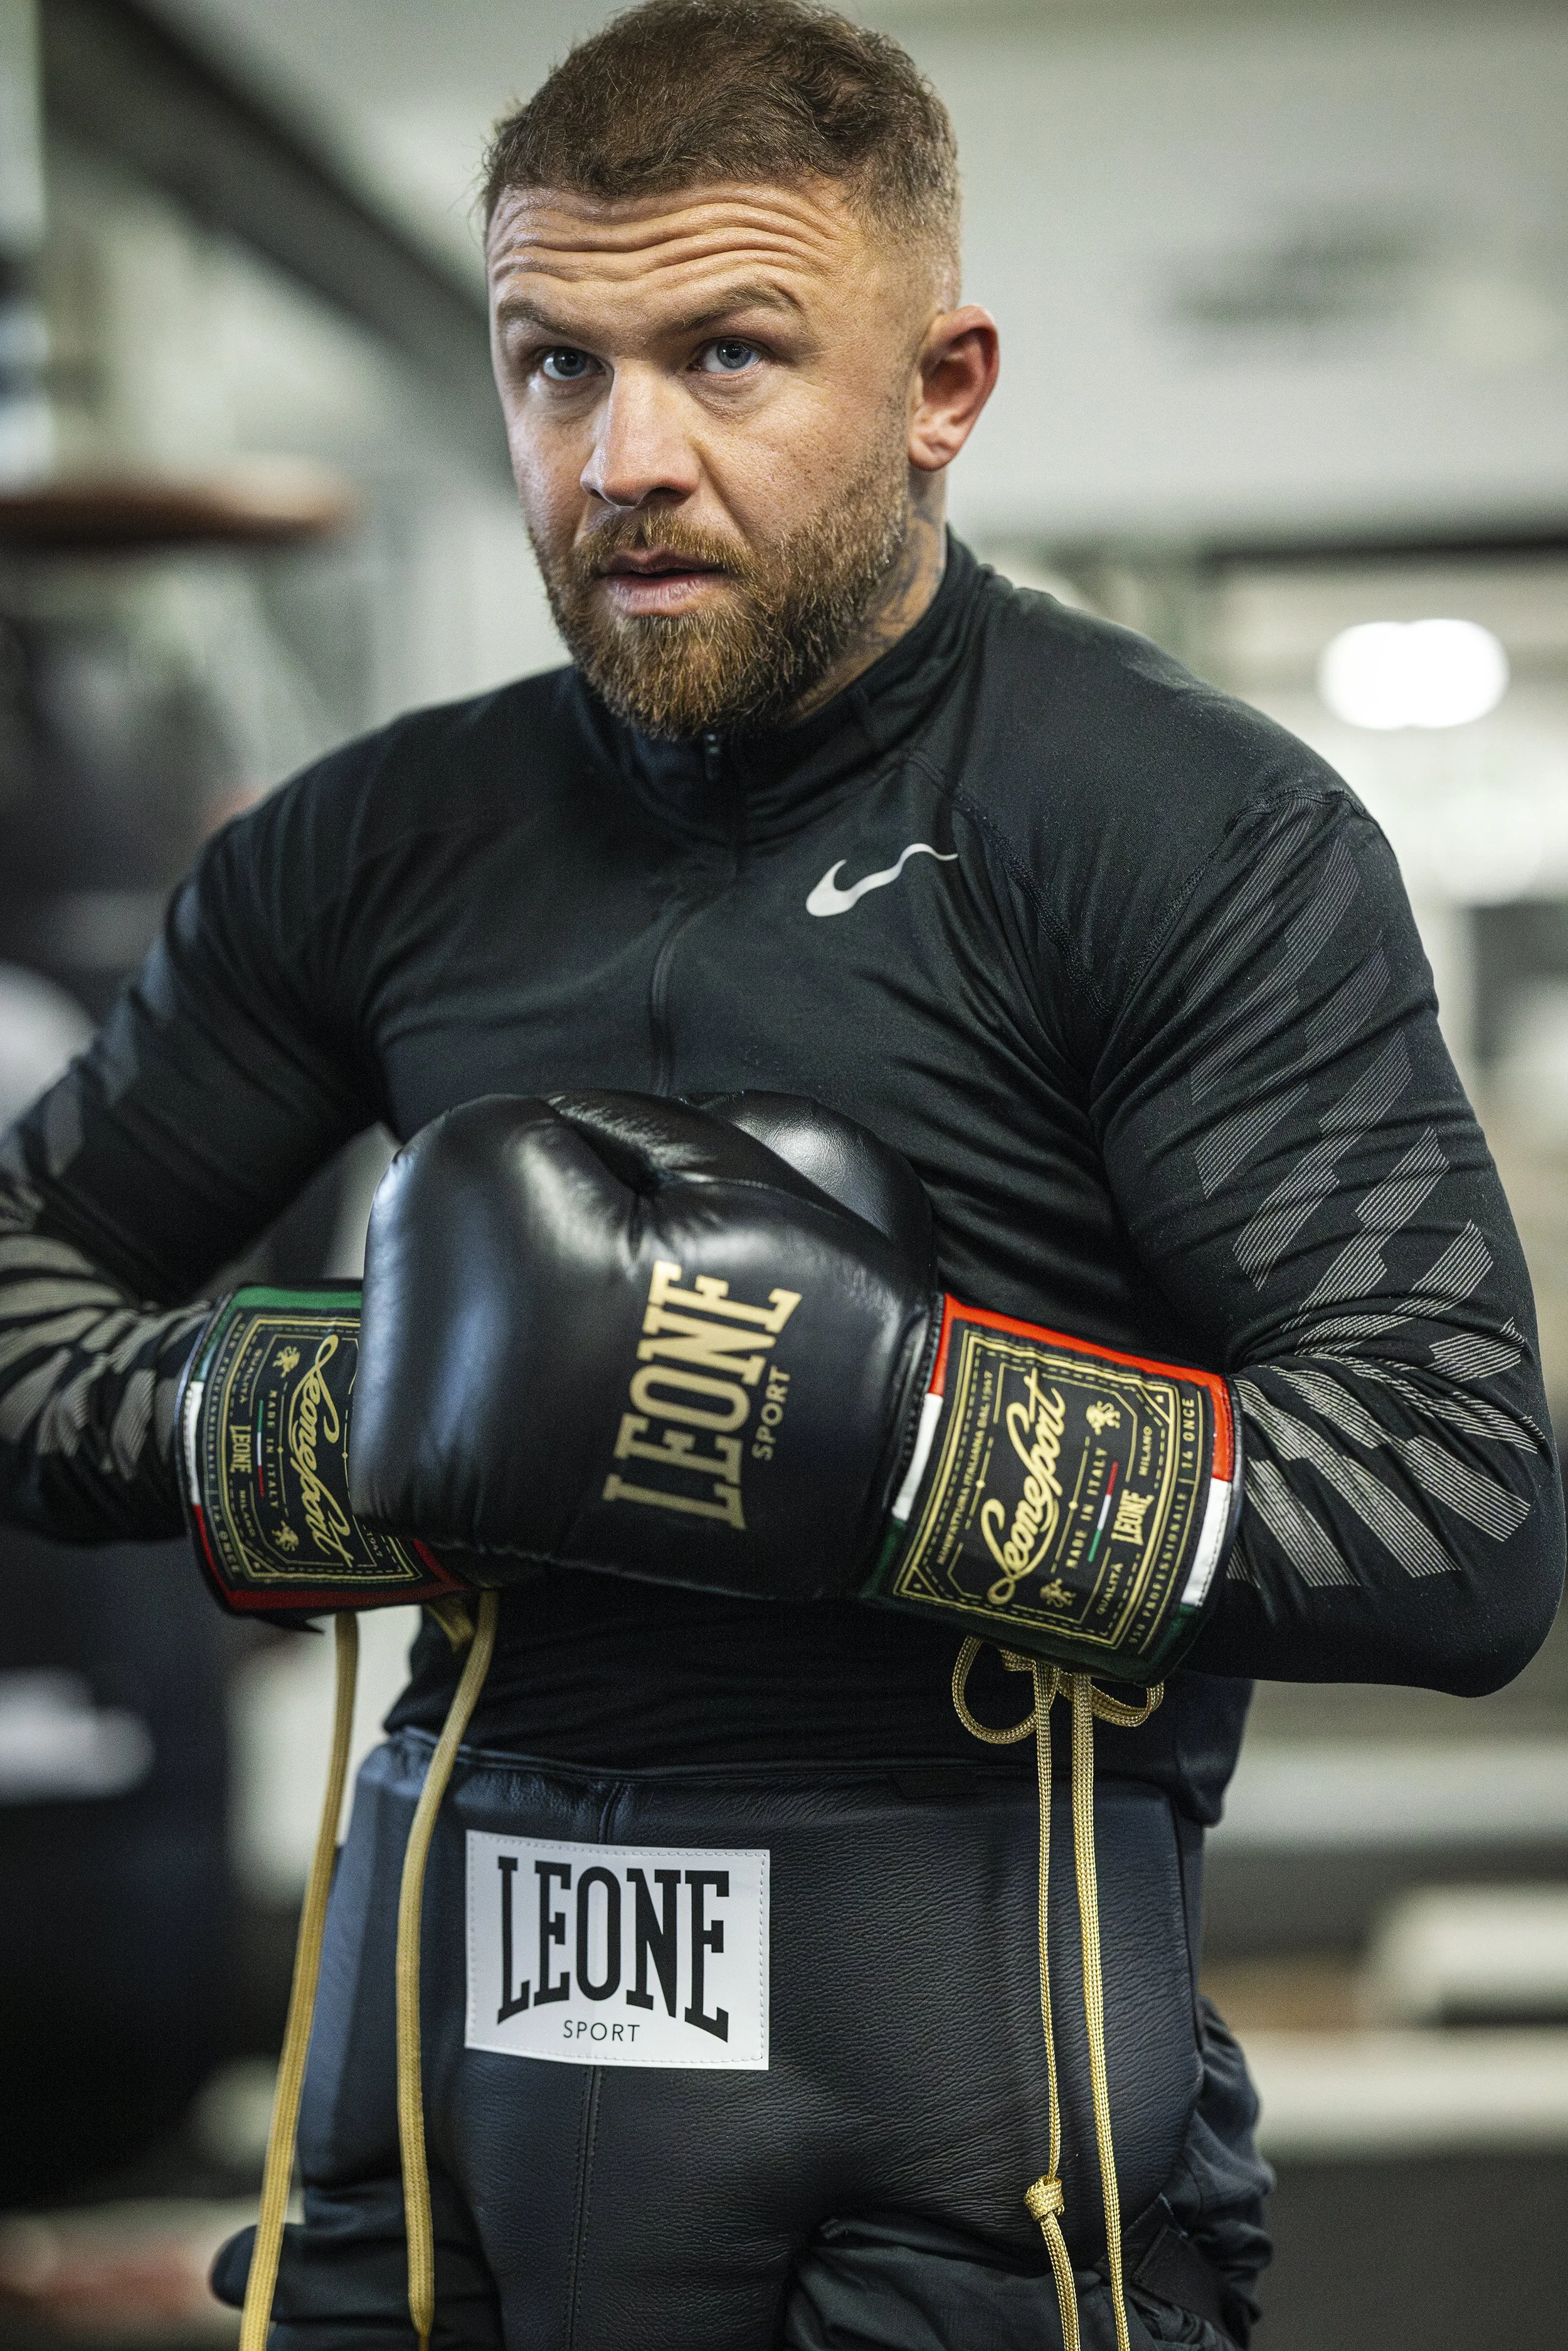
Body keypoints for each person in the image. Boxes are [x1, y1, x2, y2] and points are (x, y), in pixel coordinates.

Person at [0, 3, 1560, 2345]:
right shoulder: (365, 851)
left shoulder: (1173, 836)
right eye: (552, 366)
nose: (622, 455)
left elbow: (1455, 1500)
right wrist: (376, 1415)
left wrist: (879, 1426)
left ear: (941, 385)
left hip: (960, 2095)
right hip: (440, 2096)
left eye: (728, 354)